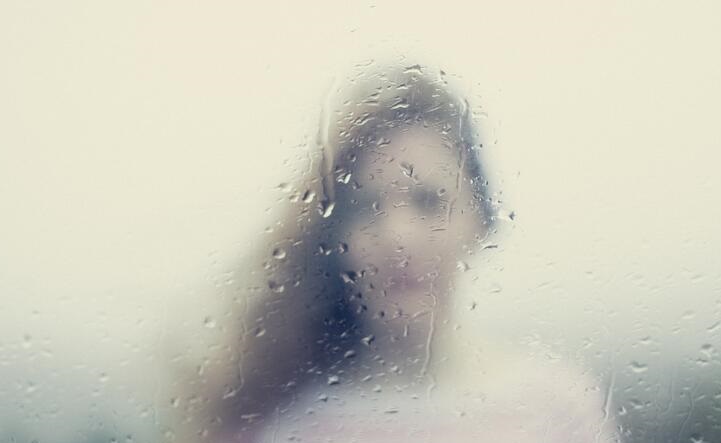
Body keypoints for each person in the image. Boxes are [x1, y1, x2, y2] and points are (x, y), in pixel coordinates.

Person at [210, 64, 617, 442]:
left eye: (428, 201)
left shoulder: (558, 410)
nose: (397, 237)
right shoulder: (294, 428)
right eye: (366, 205)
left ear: (479, 219)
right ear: (333, 238)